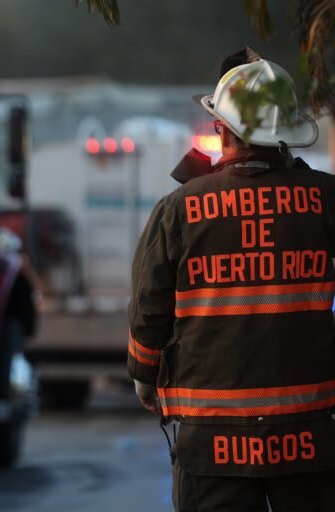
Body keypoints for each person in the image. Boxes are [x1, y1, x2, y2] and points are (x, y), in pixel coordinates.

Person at [129, 49, 335, 511]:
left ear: (221, 129)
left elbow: (150, 306)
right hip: (309, 436)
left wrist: (144, 375)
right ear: (286, 135)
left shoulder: (180, 208)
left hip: (211, 441)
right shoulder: (326, 199)